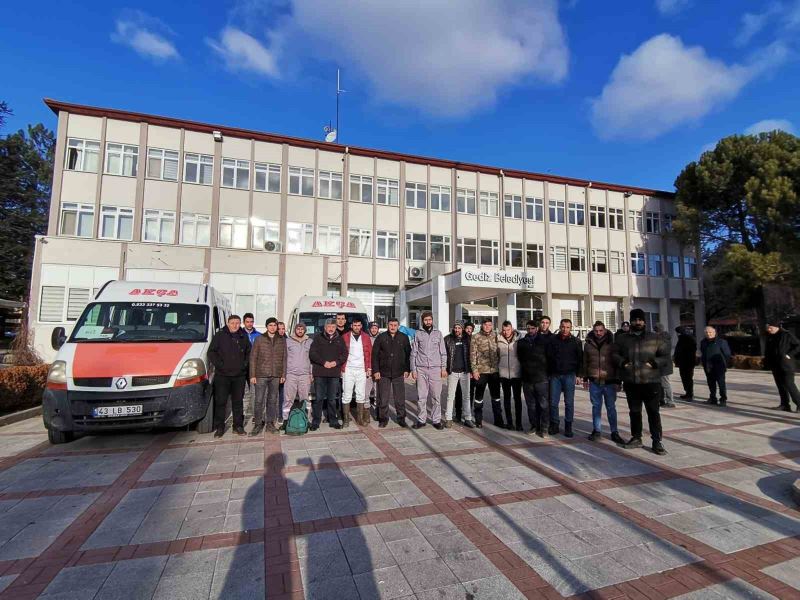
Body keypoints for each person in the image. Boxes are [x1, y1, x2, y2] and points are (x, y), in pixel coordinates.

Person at [613, 308, 670, 455]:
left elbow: (665, 356)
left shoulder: (655, 337)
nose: (637, 322)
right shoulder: (623, 338)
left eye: (640, 320)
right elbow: (614, 354)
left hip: (651, 382)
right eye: (635, 320)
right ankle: (636, 437)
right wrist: (623, 362)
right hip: (632, 382)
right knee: (634, 412)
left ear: (644, 321)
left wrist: (654, 363)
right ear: (631, 321)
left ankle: (657, 441)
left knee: (653, 412)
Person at [208, 314, 251, 438]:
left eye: (237, 323)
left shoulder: (243, 336)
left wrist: (244, 365)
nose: (235, 325)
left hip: (239, 376)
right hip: (222, 375)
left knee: (238, 402)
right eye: (232, 323)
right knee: (221, 402)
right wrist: (220, 365)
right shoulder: (220, 335)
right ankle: (220, 427)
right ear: (228, 323)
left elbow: (249, 352)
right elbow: (211, 352)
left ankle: (238, 426)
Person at [581, 321, 624, 444]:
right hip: (594, 381)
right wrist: (585, 378)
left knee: (611, 408)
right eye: (596, 331)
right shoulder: (588, 344)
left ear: (605, 330)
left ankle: (614, 432)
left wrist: (618, 381)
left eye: (601, 330)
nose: (598, 333)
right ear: (593, 331)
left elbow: (616, 363)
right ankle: (597, 430)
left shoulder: (612, 343)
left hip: (609, 382)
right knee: (596, 407)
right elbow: (585, 362)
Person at [545, 318, 583, 437]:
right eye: (563, 327)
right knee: (553, 403)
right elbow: (548, 357)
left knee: (569, 403)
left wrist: (579, 375)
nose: (565, 329)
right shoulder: (552, 340)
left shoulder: (576, 341)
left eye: (567, 327)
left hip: (569, 375)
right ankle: (555, 424)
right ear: (560, 327)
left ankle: (568, 426)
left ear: (571, 328)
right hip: (555, 376)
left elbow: (580, 360)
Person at [410, 311, 448, 430]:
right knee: (421, 396)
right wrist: (413, 369)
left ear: (432, 320)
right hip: (421, 370)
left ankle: (436, 420)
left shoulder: (438, 334)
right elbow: (414, 353)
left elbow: (443, 352)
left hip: (435, 369)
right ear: (422, 321)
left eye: (429, 320)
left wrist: (443, 368)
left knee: (436, 396)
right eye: (426, 320)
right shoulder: (418, 334)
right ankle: (421, 420)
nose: (428, 322)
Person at [249, 317, 286, 435]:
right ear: (267, 326)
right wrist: (252, 375)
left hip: (276, 375)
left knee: (272, 400)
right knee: (259, 400)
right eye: (270, 325)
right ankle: (258, 424)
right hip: (261, 374)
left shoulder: (281, 340)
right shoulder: (259, 339)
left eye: (274, 325)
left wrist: (283, 374)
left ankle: (270, 423)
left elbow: (284, 358)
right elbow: (253, 358)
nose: (273, 327)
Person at [372, 318, 412, 428]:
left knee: (399, 398)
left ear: (398, 326)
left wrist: (407, 369)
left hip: (398, 372)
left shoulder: (403, 338)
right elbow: (374, 355)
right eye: (391, 325)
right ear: (387, 325)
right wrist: (376, 370)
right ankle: (383, 419)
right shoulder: (381, 337)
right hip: (383, 373)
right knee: (383, 398)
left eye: (395, 325)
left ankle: (401, 418)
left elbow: (408, 355)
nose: (393, 327)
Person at [309, 319, 347, 430]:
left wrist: (336, 362)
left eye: (333, 327)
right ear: (325, 327)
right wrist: (323, 362)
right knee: (319, 398)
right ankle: (316, 421)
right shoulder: (318, 338)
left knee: (331, 399)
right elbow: (312, 354)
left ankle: (333, 420)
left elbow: (344, 354)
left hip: (334, 373)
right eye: (329, 326)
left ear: (335, 328)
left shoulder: (339, 339)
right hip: (320, 372)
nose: (331, 329)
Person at [517, 320, 550, 437]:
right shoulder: (521, 343)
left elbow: (549, 358)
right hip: (527, 379)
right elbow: (520, 358)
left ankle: (544, 427)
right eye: (528, 329)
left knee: (544, 404)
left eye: (532, 328)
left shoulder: (544, 341)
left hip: (541, 378)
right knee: (531, 405)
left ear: (537, 328)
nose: (530, 331)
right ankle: (534, 425)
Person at [470, 318, 501, 428]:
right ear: (482, 326)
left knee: (496, 397)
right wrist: (474, 370)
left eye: (489, 325)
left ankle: (498, 420)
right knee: (479, 397)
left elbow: (500, 352)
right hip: (481, 372)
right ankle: (478, 420)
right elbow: (473, 355)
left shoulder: (496, 336)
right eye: (485, 325)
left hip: (494, 371)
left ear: (492, 326)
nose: (487, 327)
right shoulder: (476, 337)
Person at [341, 320, 373, 427]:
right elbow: (341, 353)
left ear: (361, 326)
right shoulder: (345, 336)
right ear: (351, 326)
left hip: (361, 369)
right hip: (348, 369)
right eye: (355, 325)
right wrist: (341, 368)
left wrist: (369, 368)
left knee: (360, 394)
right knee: (346, 394)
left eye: (359, 325)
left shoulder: (366, 337)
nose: (357, 327)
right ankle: (346, 420)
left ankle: (359, 419)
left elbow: (369, 353)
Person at [282, 322, 313, 429]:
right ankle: (286, 420)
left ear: (305, 330)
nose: (300, 331)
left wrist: (311, 374)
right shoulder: (288, 341)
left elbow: (312, 360)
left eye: (302, 329)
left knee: (305, 399)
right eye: (298, 329)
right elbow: (284, 358)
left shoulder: (309, 342)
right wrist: (284, 374)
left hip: (305, 375)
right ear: (295, 330)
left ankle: (307, 419)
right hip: (291, 375)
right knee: (288, 399)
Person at [765, 320, 800, 412]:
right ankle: (784, 405)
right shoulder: (770, 337)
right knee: (780, 386)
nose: (768, 329)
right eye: (768, 327)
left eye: (770, 327)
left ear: (776, 327)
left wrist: (789, 355)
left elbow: (798, 346)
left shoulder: (786, 335)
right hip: (775, 365)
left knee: (789, 384)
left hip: (786, 365)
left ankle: (799, 404)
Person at [444, 321, 473, 428]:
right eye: (455, 328)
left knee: (466, 396)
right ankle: (448, 418)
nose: (457, 330)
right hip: (452, 372)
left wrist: (471, 370)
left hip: (465, 372)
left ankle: (468, 418)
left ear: (463, 329)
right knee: (450, 396)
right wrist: (444, 368)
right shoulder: (447, 339)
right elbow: (444, 355)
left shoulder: (467, 339)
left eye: (459, 328)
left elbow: (472, 356)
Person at [497, 320, 523, 431]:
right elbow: (496, 356)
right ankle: (509, 422)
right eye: (504, 330)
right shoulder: (498, 340)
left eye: (508, 330)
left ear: (512, 329)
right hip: (504, 375)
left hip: (516, 374)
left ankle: (519, 423)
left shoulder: (519, 340)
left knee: (517, 399)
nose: (506, 332)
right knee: (506, 399)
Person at [699, 326, 732, 407]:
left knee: (721, 383)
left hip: (719, 366)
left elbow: (727, 354)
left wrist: (724, 364)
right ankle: (713, 398)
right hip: (708, 366)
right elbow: (703, 353)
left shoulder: (721, 342)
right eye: (706, 332)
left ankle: (723, 399)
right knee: (711, 383)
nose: (708, 334)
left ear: (714, 333)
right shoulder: (703, 342)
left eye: (710, 332)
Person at [454, 321, 476, 423]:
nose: (468, 330)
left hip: (469, 371)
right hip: (459, 370)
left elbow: (473, 357)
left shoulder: (473, 340)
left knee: (469, 393)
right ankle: (458, 414)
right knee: (458, 393)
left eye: (470, 329)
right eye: (467, 328)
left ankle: (468, 413)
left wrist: (472, 370)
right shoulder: (461, 339)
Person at [241, 313, 261, 422]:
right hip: (241, 368)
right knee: (242, 393)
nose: (249, 324)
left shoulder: (258, 335)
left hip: (254, 368)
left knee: (254, 393)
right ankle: (242, 414)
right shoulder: (239, 334)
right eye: (247, 322)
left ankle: (255, 415)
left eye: (251, 321)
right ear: (244, 322)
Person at [654, 323, 676, 408]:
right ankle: (661, 400)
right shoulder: (662, 338)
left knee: (665, 383)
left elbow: (662, 352)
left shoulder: (663, 339)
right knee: (660, 384)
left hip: (664, 365)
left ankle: (670, 401)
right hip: (661, 365)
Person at [673, 326, 697, 401]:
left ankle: (690, 394)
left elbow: (685, 351)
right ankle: (688, 393)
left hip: (687, 362)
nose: (677, 334)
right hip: (683, 362)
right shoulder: (684, 338)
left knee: (688, 378)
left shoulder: (686, 339)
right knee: (685, 378)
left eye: (677, 333)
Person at [365, 321, 381, 418]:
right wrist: (367, 367)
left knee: (377, 391)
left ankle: (377, 410)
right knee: (366, 391)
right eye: (372, 328)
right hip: (368, 369)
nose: (374, 329)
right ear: (369, 329)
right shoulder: (366, 338)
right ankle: (366, 410)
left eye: (375, 328)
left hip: (378, 369)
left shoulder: (381, 338)